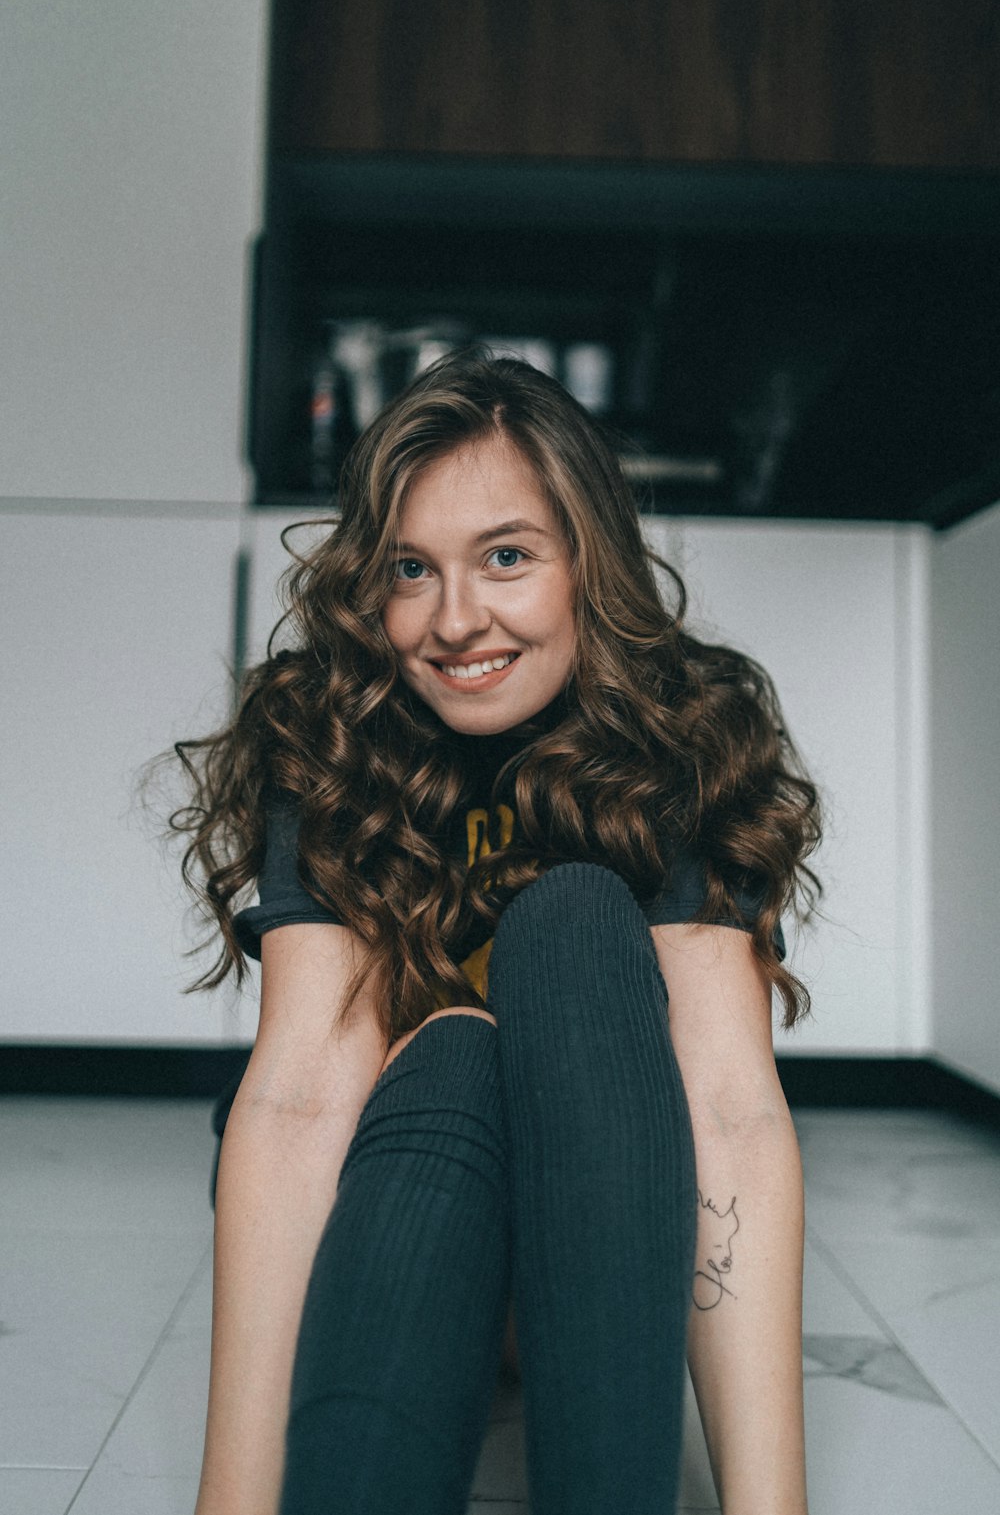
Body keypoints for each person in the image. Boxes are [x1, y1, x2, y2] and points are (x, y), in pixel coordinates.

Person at [166, 347, 821, 1515]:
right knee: (457, 1043)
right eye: (411, 568)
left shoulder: (684, 728)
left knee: (568, 922)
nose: (454, 619)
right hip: (403, 1186)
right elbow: (303, 1092)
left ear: (589, 563)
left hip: (606, 1203)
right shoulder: (329, 727)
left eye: (506, 555)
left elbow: (725, 1104)